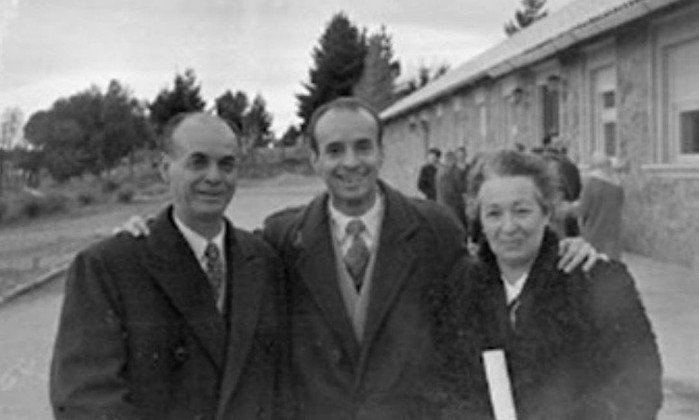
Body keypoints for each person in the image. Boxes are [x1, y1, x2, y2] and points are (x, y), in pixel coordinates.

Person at [262, 98, 600, 419]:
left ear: (381, 152)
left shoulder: (435, 227)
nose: (351, 162)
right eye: (335, 150)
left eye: (363, 147)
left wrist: (558, 251)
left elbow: (490, 283)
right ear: (314, 159)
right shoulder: (282, 237)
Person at [50, 112, 284, 419]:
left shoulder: (263, 260)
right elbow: (86, 399)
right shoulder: (109, 266)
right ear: (164, 169)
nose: (214, 177)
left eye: (226, 165)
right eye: (197, 163)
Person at [429, 150, 662, 419]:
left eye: (522, 211)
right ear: (478, 218)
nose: (508, 227)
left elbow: (640, 386)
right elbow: (442, 385)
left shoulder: (595, 279)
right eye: (493, 214)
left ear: (546, 212)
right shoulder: (459, 289)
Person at [578, 152, 625, 260]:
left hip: (594, 233)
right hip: (613, 234)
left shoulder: (591, 183)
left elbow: (583, 209)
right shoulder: (617, 186)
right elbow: (620, 206)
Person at [436, 150, 467, 228]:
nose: (455, 163)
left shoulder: (441, 171)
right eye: (454, 160)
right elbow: (451, 191)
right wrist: (461, 201)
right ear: (450, 160)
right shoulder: (447, 173)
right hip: (451, 206)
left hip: (445, 205)